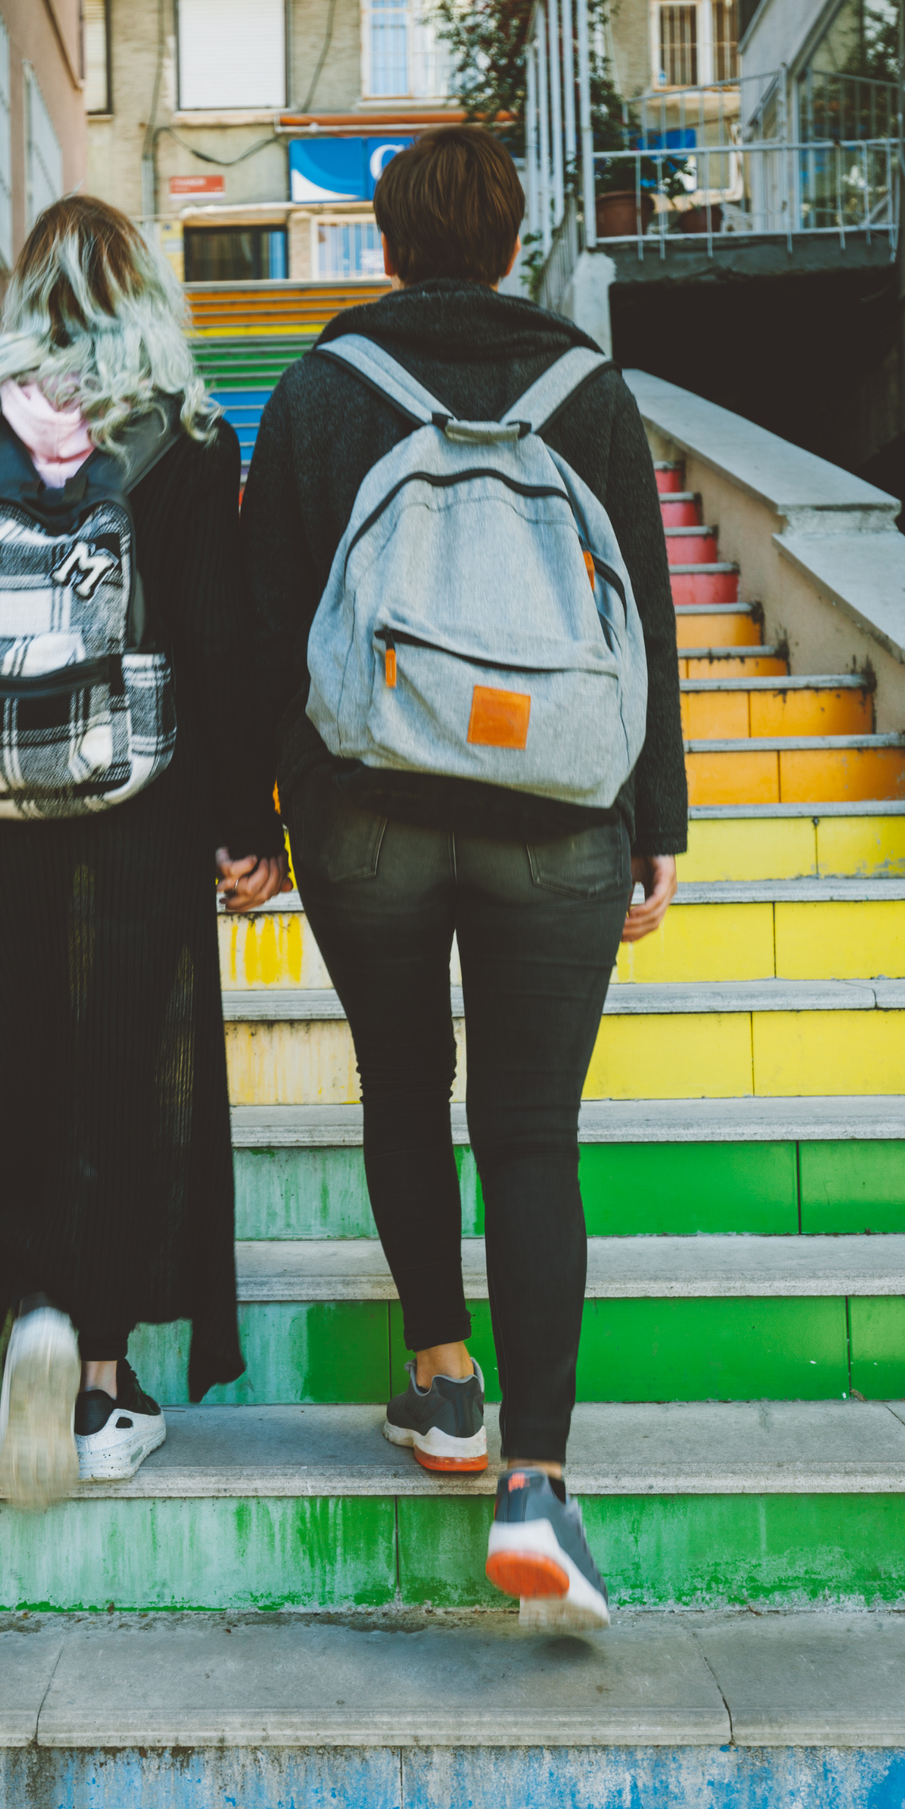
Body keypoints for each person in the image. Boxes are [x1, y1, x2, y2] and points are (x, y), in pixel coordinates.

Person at [243, 126, 688, 1628]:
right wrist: (657, 816)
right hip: (560, 805)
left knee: (398, 1089)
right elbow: (643, 609)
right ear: (510, 243)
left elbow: (265, 624)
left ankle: (445, 1385)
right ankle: (540, 1484)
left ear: (382, 244)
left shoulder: (316, 392)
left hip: (366, 803)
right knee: (531, 1133)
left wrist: (252, 815)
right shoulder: (587, 389)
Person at [0, 194, 289, 1506]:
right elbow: (215, 641)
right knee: (132, 1067)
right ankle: (99, 1380)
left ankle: (33, 1311)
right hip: (139, 795)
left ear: (29, 297)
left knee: (29, 1051)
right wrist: (246, 821)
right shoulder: (188, 440)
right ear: (143, 293)